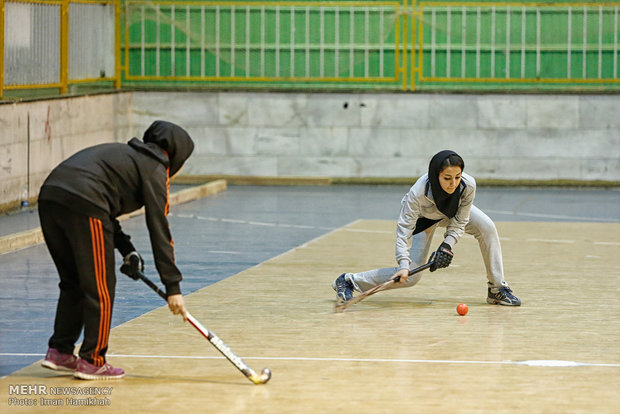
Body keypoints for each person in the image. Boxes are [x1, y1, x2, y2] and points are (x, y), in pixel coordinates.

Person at [38, 120, 194, 380]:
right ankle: (93, 360)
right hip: (85, 203)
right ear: (177, 155)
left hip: (51, 198)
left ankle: (60, 352)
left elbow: (105, 208)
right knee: (100, 288)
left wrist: (127, 250)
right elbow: (160, 229)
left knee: (73, 282)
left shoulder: (128, 157)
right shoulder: (155, 169)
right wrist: (173, 287)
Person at [332, 150, 521, 307]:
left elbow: (460, 221)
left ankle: (496, 288)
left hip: (450, 213)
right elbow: (404, 231)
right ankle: (349, 281)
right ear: (435, 175)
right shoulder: (418, 193)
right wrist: (404, 265)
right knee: (412, 278)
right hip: (424, 220)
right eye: (447, 178)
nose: (453, 183)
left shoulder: (467, 185)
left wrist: (447, 246)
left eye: (457, 177)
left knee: (487, 227)